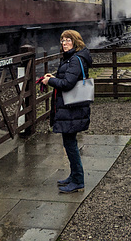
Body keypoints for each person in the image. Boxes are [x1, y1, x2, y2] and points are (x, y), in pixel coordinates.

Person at [41, 29, 92, 193]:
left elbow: (68, 83)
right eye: (62, 40)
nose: (64, 43)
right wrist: (54, 77)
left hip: (72, 109)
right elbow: (67, 78)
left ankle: (78, 181)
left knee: (70, 145)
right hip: (70, 109)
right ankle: (74, 175)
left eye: (68, 40)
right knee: (70, 144)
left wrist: (51, 81)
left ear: (76, 42)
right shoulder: (71, 58)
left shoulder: (75, 59)